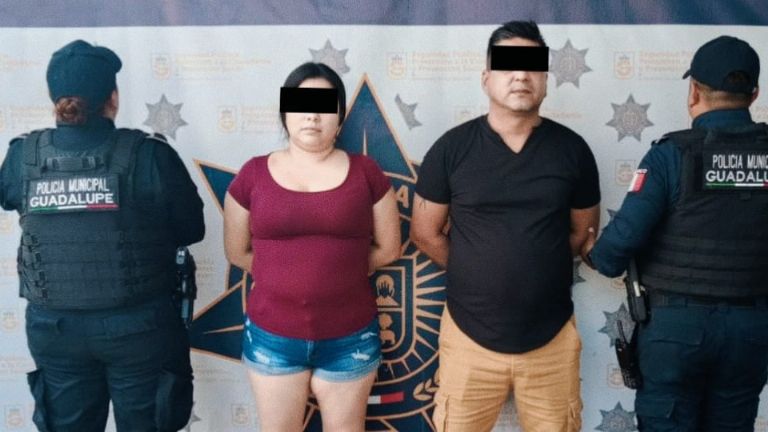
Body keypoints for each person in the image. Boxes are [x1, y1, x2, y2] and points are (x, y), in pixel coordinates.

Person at [0, 40, 205, 431]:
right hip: (139, 329)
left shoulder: (23, 156)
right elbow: (191, 229)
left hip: (56, 332)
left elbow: (11, 198)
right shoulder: (149, 154)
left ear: (54, 99)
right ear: (113, 97)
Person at [411, 20, 600, 432]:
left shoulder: (573, 151)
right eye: (508, 65)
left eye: (532, 66)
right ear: (486, 78)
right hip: (467, 338)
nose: (520, 75)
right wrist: (476, 270)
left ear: (545, 81)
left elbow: (583, 234)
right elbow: (424, 233)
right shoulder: (450, 149)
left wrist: (531, 265)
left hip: (552, 340)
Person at [586, 35, 767, 431]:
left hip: (676, 332)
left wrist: (593, 252)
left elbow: (616, 250)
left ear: (694, 91)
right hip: (751, 331)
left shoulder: (669, 155)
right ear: (754, 94)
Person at [223, 62, 401, 432]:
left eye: (323, 106)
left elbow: (389, 248)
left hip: (350, 338)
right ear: (285, 112)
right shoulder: (252, 174)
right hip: (272, 337)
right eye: (302, 104)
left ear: (339, 116)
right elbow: (236, 251)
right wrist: (280, 275)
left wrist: (344, 270)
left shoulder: (367, 173)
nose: (312, 116)